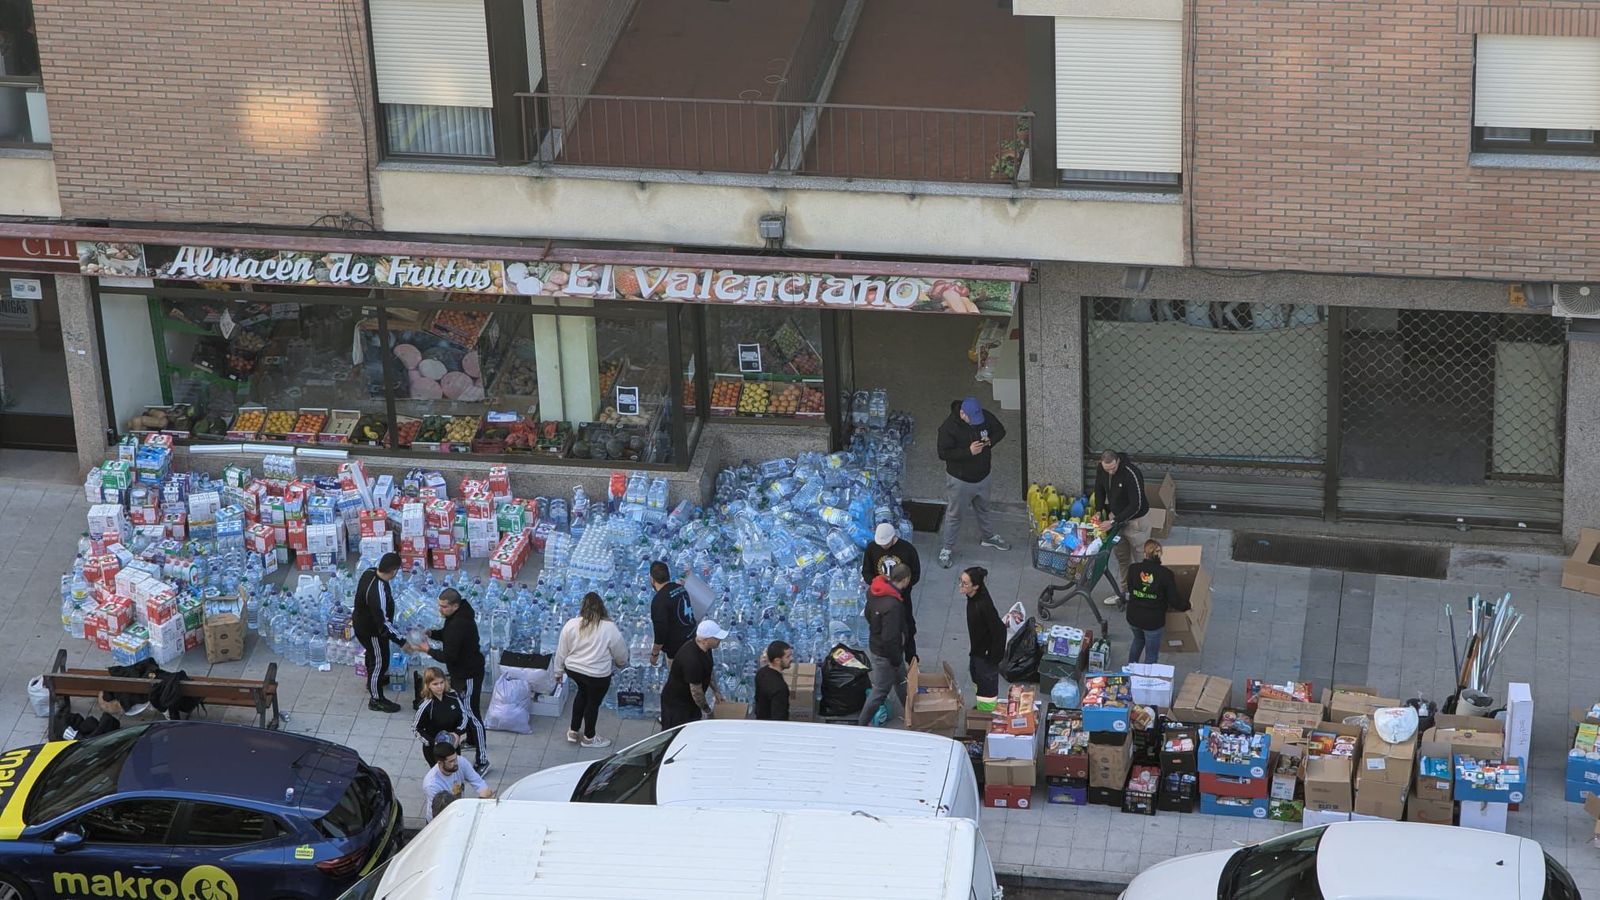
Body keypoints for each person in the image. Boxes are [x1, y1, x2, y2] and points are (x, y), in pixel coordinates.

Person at [936, 397, 1011, 568]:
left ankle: (988, 537)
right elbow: (943, 453)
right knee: (954, 514)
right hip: (960, 480)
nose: (976, 423)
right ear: (962, 413)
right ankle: (947, 549)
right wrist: (968, 451)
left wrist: (990, 441)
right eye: (972, 419)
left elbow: (1000, 431)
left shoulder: (983, 416)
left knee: (984, 508)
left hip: (984, 475)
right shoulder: (948, 428)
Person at [419, 588, 488, 765]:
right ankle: (471, 740)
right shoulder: (456, 618)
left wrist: (428, 650)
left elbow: (449, 655)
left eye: (443, 606)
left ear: (455, 606)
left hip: (468, 675)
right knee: (467, 709)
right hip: (462, 672)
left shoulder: (459, 624)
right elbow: (448, 636)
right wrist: (432, 633)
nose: (440, 610)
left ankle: (482, 760)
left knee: (472, 715)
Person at [552, 591, 629, 749]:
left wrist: (558, 672)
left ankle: (573, 730)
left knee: (582, 693)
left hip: (574, 670)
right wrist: (621, 663)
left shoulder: (572, 624)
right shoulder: (608, 627)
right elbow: (620, 652)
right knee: (593, 703)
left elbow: (561, 650)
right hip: (598, 675)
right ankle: (589, 736)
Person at [858, 563, 913, 726]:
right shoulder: (893, 605)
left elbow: (868, 614)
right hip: (887, 654)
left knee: (902, 681)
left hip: (877, 645)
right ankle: (861, 724)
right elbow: (890, 638)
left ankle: (911, 714)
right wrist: (896, 659)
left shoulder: (875, 591)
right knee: (880, 691)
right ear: (905, 579)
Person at [1094, 449, 1151, 602]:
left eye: (1113, 468)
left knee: (1142, 560)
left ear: (1117, 460)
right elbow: (1099, 488)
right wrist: (1098, 510)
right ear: (1102, 463)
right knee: (1122, 558)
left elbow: (1136, 505)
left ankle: (1143, 595)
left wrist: (1113, 521)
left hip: (1135, 522)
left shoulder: (1131, 473)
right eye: (1107, 469)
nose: (1111, 472)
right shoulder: (1102, 469)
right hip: (1117, 520)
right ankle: (1124, 593)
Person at [353, 552, 405, 713]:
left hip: (363, 624)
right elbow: (383, 623)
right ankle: (376, 699)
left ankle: (374, 681)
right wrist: (402, 641)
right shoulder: (378, 592)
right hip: (372, 631)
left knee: (374, 655)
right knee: (379, 661)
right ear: (394, 571)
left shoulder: (369, 572)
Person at [862, 523, 921, 662]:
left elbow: (916, 574)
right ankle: (886, 657)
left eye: (886, 543)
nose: (883, 547)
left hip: (902, 597)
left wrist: (901, 587)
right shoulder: (872, 548)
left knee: (908, 628)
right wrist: (879, 584)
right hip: (880, 596)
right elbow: (866, 571)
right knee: (881, 628)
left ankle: (911, 659)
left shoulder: (907, 550)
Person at [412, 666, 487, 772]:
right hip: (435, 750)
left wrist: (457, 733)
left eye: (441, 682)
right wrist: (433, 743)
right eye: (435, 684)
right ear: (428, 685)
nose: (439, 687)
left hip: (453, 745)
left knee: (455, 773)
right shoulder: (426, 705)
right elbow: (416, 729)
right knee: (441, 776)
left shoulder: (453, 695)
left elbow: (464, 716)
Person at [1125, 540, 1186, 665]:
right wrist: (1187, 606)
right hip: (1153, 621)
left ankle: (1130, 669)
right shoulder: (1166, 574)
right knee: (1151, 655)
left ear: (1145, 554)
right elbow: (1173, 600)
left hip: (1133, 616)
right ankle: (1146, 680)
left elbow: (1130, 589)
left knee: (1138, 640)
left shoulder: (1133, 569)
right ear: (1160, 554)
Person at [661, 620, 726, 730]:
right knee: (677, 734)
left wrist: (716, 691)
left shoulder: (706, 649)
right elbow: (696, 692)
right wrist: (707, 710)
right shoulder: (692, 661)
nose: (720, 640)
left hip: (690, 702)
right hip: (678, 706)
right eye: (716, 638)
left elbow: (709, 671)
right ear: (706, 640)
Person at [960, 567, 1004, 701]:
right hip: (977, 651)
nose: (960, 585)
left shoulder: (983, 606)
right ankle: (981, 710)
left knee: (986, 690)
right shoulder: (973, 596)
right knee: (977, 680)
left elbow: (999, 629)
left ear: (976, 586)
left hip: (985, 655)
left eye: (965, 583)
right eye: (961, 581)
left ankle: (986, 716)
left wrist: (992, 657)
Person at [421, 742, 492, 823]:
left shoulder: (460, 762)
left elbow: (480, 784)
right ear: (440, 763)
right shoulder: (431, 784)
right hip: (439, 820)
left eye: (455, 759)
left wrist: (483, 797)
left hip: (457, 811)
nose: (456, 763)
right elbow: (442, 812)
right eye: (451, 761)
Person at [649, 561, 696, 665]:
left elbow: (660, 633)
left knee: (680, 680)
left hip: (678, 652)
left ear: (652, 579)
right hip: (693, 641)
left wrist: (654, 655)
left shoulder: (659, 601)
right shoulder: (680, 588)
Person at [754, 640, 792, 721]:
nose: (791, 659)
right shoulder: (780, 688)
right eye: (788, 657)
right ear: (777, 660)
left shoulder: (761, 673)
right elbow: (780, 718)